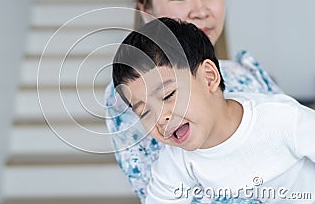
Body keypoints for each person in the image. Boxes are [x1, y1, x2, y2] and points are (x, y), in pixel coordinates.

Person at [104, 0, 283, 201]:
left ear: (211, 76)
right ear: (146, 11)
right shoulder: (135, 94)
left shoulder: (248, 72)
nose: (201, 11)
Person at [112, 17, 315, 204]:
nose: (161, 117)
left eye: (168, 95)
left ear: (209, 77)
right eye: (145, 112)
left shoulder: (281, 118)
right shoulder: (176, 159)